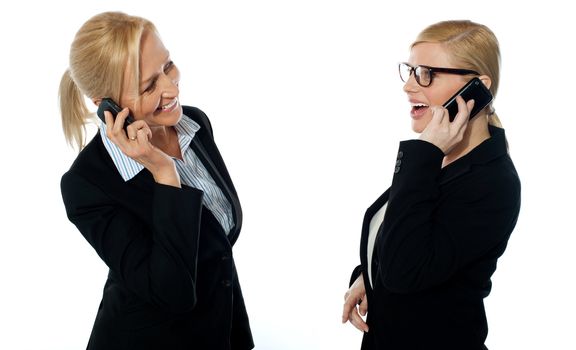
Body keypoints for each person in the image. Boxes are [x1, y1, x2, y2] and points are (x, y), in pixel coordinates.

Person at [59, 12, 253, 350]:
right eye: (149, 85)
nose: (171, 87)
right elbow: (172, 292)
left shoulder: (193, 123)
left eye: (168, 66)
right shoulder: (87, 183)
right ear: (106, 105)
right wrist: (164, 173)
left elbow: (217, 247)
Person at [341, 20, 521, 350]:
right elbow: (407, 236)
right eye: (409, 71)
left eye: (426, 73)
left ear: (478, 87)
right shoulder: (442, 158)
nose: (409, 86)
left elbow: (405, 271)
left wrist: (425, 152)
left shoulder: (492, 182)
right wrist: (368, 275)